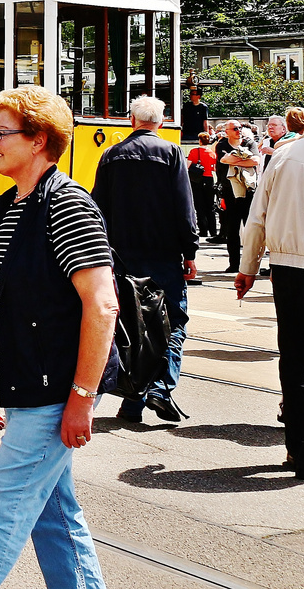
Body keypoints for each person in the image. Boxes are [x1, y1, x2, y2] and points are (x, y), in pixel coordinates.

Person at [0, 85, 119, 589]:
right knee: (53, 514)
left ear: (39, 140)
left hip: (54, 386)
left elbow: (102, 304)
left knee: (1, 503)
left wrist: (82, 398)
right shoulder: (12, 205)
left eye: (1, 133)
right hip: (25, 382)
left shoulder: (67, 206)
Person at [91, 95, 197, 424]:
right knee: (174, 323)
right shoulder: (171, 153)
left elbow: (98, 209)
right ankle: (160, 389)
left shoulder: (110, 156)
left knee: (135, 330)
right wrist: (190, 252)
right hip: (163, 256)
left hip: (123, 259)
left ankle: (132, 404)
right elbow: (184, 206)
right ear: (161, 123)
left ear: (131, 121)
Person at [237, 91, 304, 480]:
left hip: (287, 267)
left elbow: (258, 216)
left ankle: (296, 444)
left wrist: (248, 266)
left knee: (295, 350)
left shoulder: (284, 155)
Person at [219, 120, 260, 274]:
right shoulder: (222, 145)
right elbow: (223, 159)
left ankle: (250, 265)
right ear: (227, 131)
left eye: (240, 127)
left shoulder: (249, 143)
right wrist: (244, 162)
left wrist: (235, 161)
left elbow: (256, 160)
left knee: (250, 229)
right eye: (235, 128)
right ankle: (234, 264)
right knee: (232, 229)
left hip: (248, 191)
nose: (238, 130)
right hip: (230, 192)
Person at [185, 132, 218, 262]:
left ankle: (203, 230)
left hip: (197, 180)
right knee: (210, 205)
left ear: (199, 140)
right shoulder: (212, 153)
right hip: (209, 180)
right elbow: (215, 167)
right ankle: (213, 230)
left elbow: (188, 166)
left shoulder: (194, 151)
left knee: (199, 205)